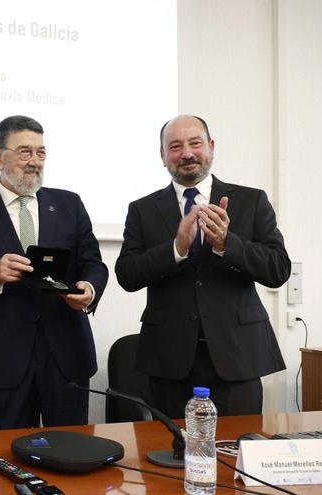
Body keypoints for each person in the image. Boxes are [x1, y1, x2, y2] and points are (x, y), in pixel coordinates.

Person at [114, 114, 291, 419]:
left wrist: (227, 244)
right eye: (174, 146)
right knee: (169, 457)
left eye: (195, 143)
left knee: (237, 454)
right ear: (162, 156)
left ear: (210, 146)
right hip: (169, 362)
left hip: (236, 357)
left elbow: (278, 269)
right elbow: (127, 275)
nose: (186, 153)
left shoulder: (251, 200)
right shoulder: (142, 209)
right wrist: (176, 249)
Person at [0, 115, 108, 429]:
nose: (35, 161)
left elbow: (93, 263)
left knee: (73, 450)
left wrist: (88, 288)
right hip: (2, 359)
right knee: (7, 454)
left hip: (66, 354)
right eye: (24, 152)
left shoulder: (69, 204)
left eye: (41, 152)